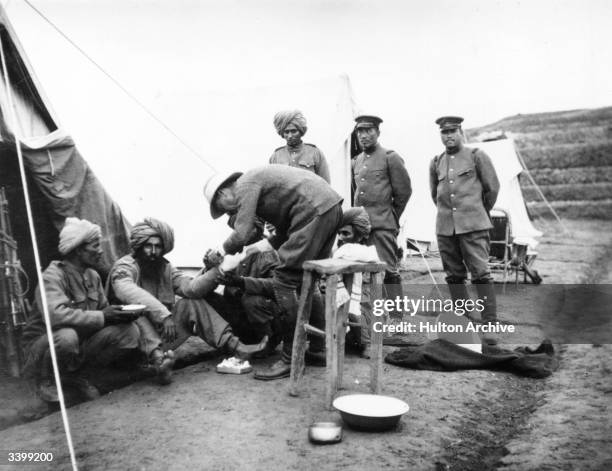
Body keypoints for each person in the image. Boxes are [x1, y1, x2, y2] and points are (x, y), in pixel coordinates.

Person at [203, 166, 343, 380]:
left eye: (226, 210)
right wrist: (252, 249)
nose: (231, 214)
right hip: (328, 206)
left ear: (222, 193)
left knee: (283, 282)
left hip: (313, 210)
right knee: (309, 278)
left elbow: (240, 234)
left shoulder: (244, 186)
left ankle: (290, 358)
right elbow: (283, 234)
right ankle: (317, 349)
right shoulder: (261, 184)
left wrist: (220, 252)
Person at [106, 217, 268, 384]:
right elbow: (127, 291)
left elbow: (191, 288)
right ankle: (158, 362)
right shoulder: (124, 267)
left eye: (158, 246)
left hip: (161, 337)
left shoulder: (164, 268)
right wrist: (164, 315)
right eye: (148, 246)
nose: (153, 251)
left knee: (191, 303)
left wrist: (218, 269)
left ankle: (237, 347)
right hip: (129, 343)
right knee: (134, 310)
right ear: (139, 246)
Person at [21, 217, 141, 402]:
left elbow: (102, 311)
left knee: (128, 332)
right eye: (95, 246)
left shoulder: (92, 276)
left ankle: (80, 376)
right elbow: (56, 316)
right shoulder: (52, 276)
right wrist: (103, 316)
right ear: (78, 249)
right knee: (68, 337)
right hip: (42, 348)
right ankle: (47, 381)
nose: (100, 251)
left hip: (77, 344)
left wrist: (120, 315)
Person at [429, 116, 500, 342]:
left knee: (480, 273)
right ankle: (464, 322)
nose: (448, 136)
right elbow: (435, 195)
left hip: (473, 225)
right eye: (444, 132)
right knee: (454, 276)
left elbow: (492, 189)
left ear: (461, 132)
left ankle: (490, 324)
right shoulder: (436, 162)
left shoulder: (476, 156)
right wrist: (451, 217)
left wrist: (476, 212)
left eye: (452, 131)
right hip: (446, 228)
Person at [352, 114, 412, 319]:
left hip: (383, 225)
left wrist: (390, 217)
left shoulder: (390, 157)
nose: (364, 135)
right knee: (366, 274)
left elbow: (403, 192)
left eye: (368, 130)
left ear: (378, 132)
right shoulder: (357, 161)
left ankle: (396, 319)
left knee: (388, 272)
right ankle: (372, 319)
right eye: (360, 131)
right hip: (362, 227)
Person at [335, 207, 374, 358]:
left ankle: (367, 342)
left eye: (346, 233)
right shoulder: (340, 249)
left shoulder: (366, 252)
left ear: (358, 236)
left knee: (359, 310)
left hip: (363, 298)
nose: (341, 237)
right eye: (339, 233)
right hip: (344, 295)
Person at [269, 110, 330, 183]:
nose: (290, 136)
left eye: (294, 131)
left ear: (301, 131)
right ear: (282, 133)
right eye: (286, 132)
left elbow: (325, 184)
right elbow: (271, 186)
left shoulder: (315, 153)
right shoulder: (276, 157)